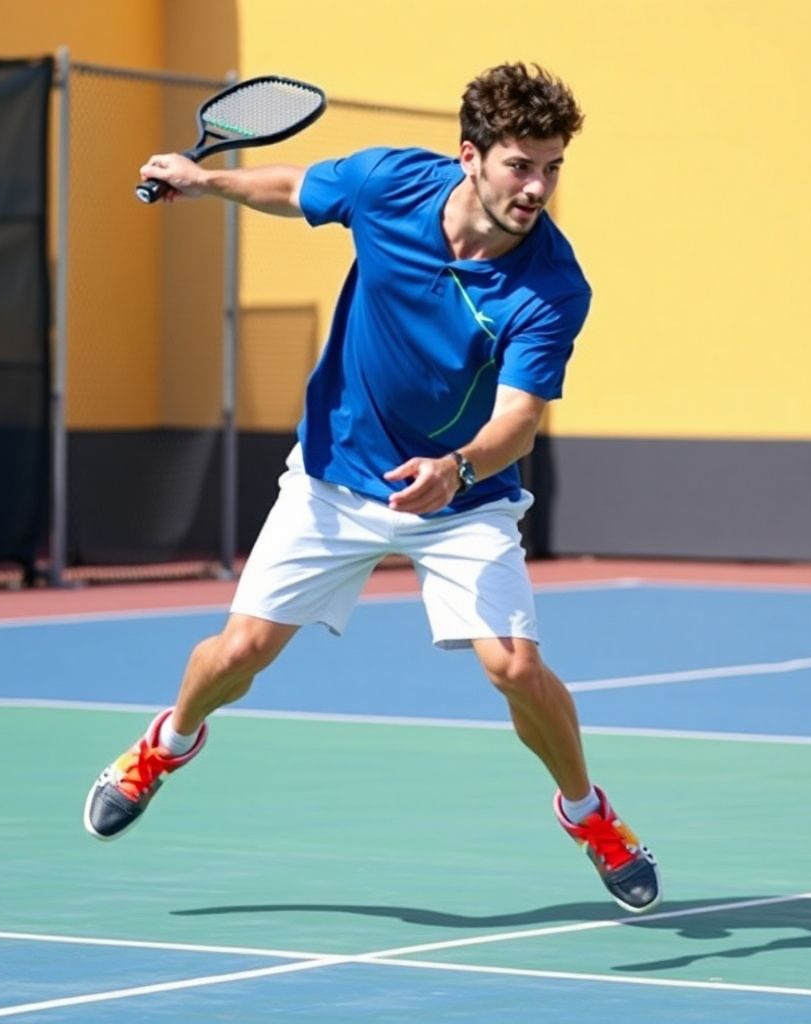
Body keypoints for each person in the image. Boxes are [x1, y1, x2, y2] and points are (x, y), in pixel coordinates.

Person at [83, 62, 661, 914]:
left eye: (552, 168)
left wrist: (458, 467)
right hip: (334, 474)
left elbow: (520, 421)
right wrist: (206, 180)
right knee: (237, 656)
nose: (537, 187)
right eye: (520, 165)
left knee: (515, 667)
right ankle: (167, 742)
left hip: (460, 496)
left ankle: (588, 812)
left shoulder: (551, 286)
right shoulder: (391, 182)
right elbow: (297, 187)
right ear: (470, 156)